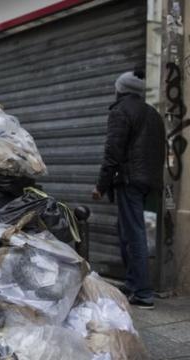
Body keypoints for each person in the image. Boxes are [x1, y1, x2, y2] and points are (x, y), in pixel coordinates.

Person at [92, 70, 165, 309]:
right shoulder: (154, 114)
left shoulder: (120, 111)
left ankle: (143, 293)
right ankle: (135, 283)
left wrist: (101, 186)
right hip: (152, 186)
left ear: (121, 89)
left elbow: (113, 151)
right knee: (136, 232)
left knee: (134, 234)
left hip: (131, 183)